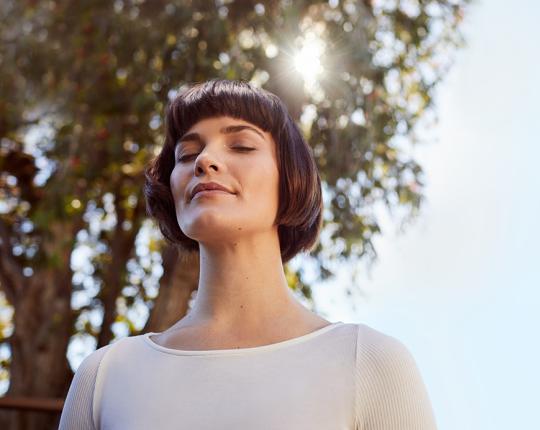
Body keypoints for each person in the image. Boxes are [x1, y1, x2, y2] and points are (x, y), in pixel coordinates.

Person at [58, 79, 438, 429]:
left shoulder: (369, 362)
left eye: (241, 145)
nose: (205, 161)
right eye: (187, 154)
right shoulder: (103, 377)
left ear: (290, 178)